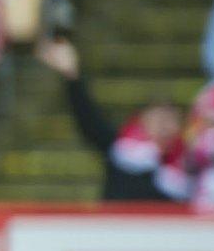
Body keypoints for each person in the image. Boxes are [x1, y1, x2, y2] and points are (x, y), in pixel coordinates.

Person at [36, 38, 194, 203]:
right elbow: (89, 120)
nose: (164, 127)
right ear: (143, 122)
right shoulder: (121, 149)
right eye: (158, 119)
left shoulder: (190, 164)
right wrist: (71, 75)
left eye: (170, 120)